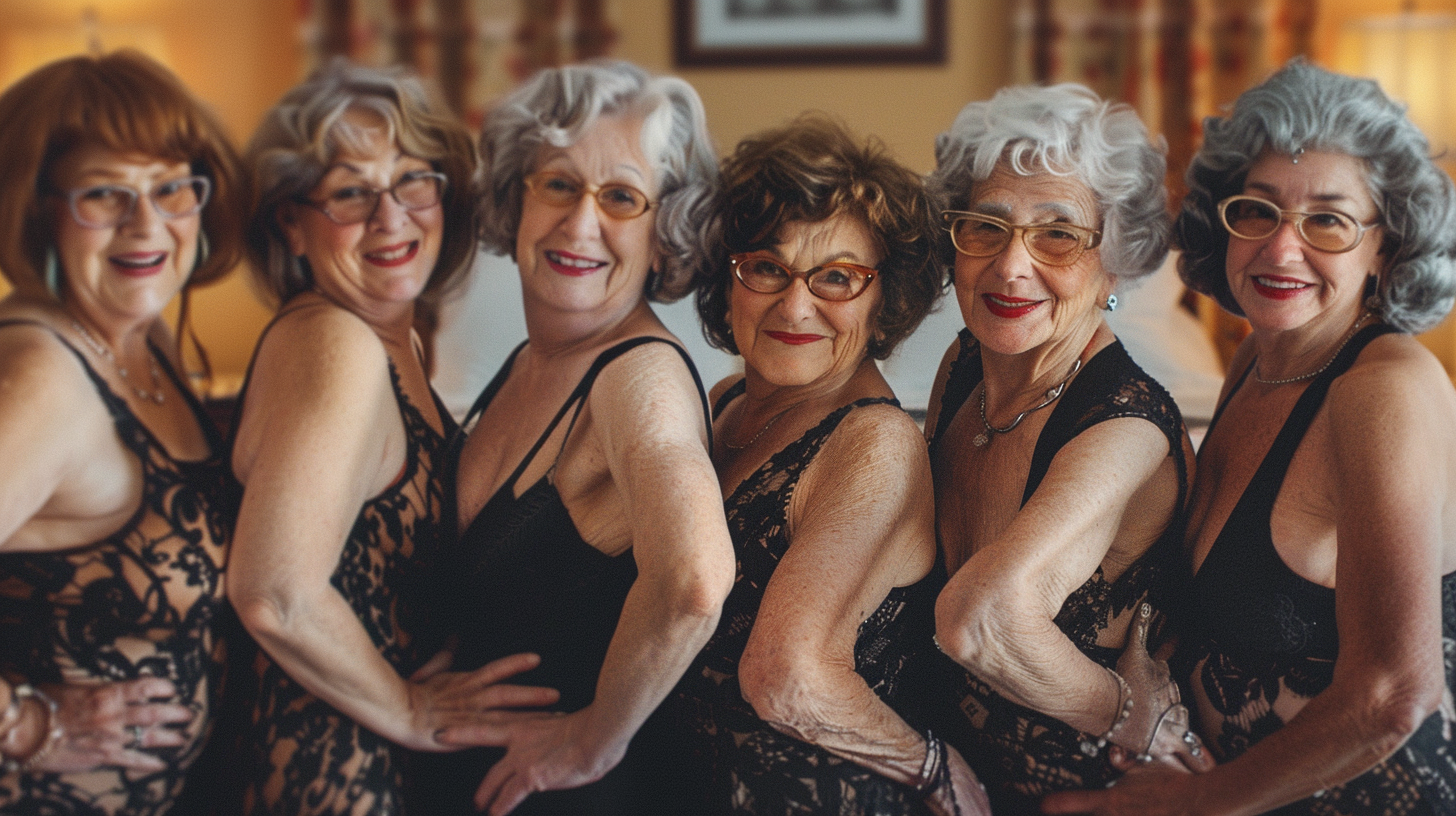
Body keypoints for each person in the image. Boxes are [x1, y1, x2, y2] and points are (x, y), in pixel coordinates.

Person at [1045, 59, 1456, 816]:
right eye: (1256, 211)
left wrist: (1182, 806)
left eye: (1327, 220)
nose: (1279, 249)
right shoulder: (1259, 361)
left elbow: (1396, 694)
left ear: (1385, 249)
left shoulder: (1384, 389)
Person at [227, 60, 555, 815]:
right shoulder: (335, 346)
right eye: (350, 192)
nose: (392, 217)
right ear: (290, 219)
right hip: (333, 779)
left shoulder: (395, 342)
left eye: (414, 179)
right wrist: (406, 708)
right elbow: (274, 591)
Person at [412, 60, 736, 815]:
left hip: (566, 794)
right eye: (558, 183)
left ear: (665, 232)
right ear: (516, 197)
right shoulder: (536, 357)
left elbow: (693, 583)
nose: (580, 223)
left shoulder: (637, 380)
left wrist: (593, 741)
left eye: (621, 196)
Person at [652, 114, 990, 816]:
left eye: (837, 277)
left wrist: (930, 767)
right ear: (728, 278)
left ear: (883, 299)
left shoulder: (875, 445)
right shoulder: (726, 402)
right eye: (768, 268)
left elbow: (787, 678)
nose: (796, 304)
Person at [922, 83, 1211, 813]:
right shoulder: (963, 367)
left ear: (1113, 263)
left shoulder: (1125, 427)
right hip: (961, 776)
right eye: (986, 226)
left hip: (1089, 794)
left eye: (1058, 234)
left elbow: (978, 621)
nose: (1011, 266)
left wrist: (1132, 718)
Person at [0, 51, 246, 814]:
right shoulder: (44, 375)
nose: (148, 225)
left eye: (171, 188)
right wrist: (29, 724)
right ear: (36, 209)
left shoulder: (142, 340)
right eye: (105, 194)